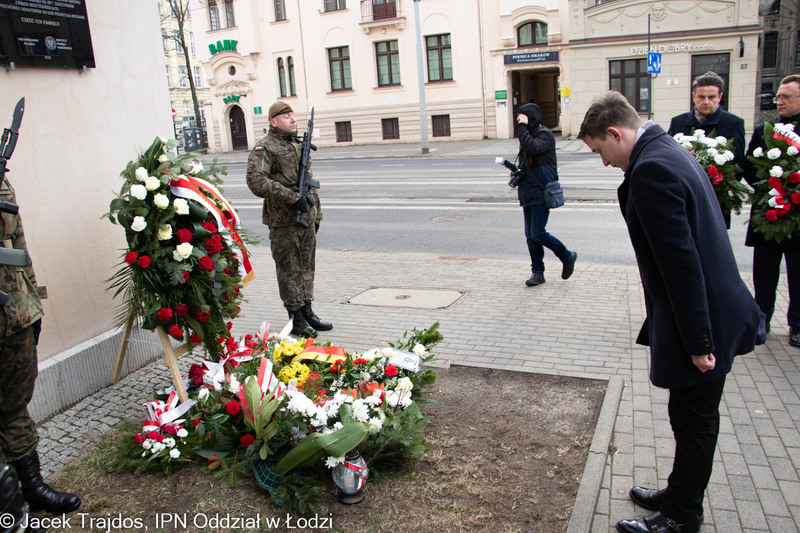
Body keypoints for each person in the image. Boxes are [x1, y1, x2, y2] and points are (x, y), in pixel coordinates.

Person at [578, 92, 765, 533]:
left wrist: (700, 343)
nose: (604, 163)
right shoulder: (666, 148)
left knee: (694, 421)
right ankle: (678, 493)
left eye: (600, 152)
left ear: (614, 133)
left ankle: (683, 517)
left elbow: (681, 266)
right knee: (688, 416)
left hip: (705, 319)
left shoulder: (651, 171)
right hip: (714, 307)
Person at [1, 178, 81, 516]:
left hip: (14, 314)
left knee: (15, 406)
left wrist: (33, 299)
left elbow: (17, 243)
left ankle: (31, 491)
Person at [246, 101, 331, 338]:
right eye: (286, 117)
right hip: (284, 220)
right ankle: (295, 318)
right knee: (289, 270)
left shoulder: (297, 145)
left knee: (306, 266)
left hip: (306, 217)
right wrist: (292, 198)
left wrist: (317, 213)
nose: (293, 120)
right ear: (273, 121)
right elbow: (256, 181)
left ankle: (308, 311)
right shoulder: (265, 148)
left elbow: (309, 182)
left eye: (293, 116)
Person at [743, 74, 800, 347]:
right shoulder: (763, 131)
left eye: (786, 97)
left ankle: (797, 324)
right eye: (778, 96)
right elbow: (749, 164)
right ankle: (761, 319)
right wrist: (771, 187)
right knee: (764, 271)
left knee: (798, 272)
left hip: (797, 215)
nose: (779, 102)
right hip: (768, 211)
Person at [667, 71, 746, 228]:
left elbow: (738, 165)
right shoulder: (679, 123)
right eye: (702, 97)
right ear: (694, 96)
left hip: (716, 199)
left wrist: (719, 179)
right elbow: (668, 157)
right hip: (684, 198)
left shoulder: (733, 123)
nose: (706, 101)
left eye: (712, 97)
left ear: (720, 97)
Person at [514, 103, 577, 286]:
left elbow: (532, 148)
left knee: (538, 233)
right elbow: (528, 162)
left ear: (530, 117)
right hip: (528, 193)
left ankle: (567, 256)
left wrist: (522, 127)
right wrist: (517, 173)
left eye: (522, 117)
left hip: (542, 192)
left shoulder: (545, 135)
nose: (519, 121)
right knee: (530, 235)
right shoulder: (530, 135)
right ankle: (538, 273)